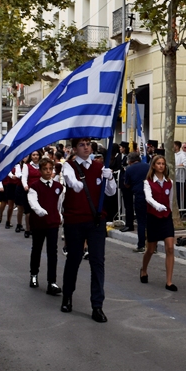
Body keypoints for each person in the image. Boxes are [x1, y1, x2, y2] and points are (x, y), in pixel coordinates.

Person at [60, 137, 117, 322]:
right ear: (75, 148)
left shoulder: (100, 167)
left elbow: (111, 192)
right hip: (75, 221)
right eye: (82, 145)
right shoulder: (68, 166)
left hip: (96, 221)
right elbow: (74, 185)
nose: (86, 147)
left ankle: (97, 305)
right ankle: (67, 296)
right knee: (74, 259)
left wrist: (109, 178)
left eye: (88, 144)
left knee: (97, 262)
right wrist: (77, 181)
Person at [26, 157, 64, 295]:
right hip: (39, 222)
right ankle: (34, 274)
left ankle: (52, 282)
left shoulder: (58, 187)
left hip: (53, 222)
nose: (48, 172)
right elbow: (33, 202)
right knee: (37, 248)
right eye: (45, 169)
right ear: (40, 171)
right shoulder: (35, 187)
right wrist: (40, 211)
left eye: (50, 169)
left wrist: (59, 215)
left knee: (52, 252)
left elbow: (59, 203)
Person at [140, 154, 177, 290]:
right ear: (154, 166)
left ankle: (169, 281)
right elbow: (148, 198)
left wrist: (169, 211)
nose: (161, 166)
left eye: (163, 164)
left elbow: (170, 198)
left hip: (166, 217)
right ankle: (143, 269)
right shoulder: (148, 182)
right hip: (153, 217)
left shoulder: (169, 182)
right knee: (150, 249)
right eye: (159, 163)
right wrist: (157, 206)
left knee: (170, 247)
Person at [124, 151, 149, 251]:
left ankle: (141, 245)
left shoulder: (129, 169)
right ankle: (152, 245)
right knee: (150, 221)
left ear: (130, 161)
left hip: (139, 196)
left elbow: (127, 184)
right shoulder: (147, 166)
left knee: (141, 222)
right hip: (150, 196)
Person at [18, 150, 42, 238]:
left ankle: (36, 228)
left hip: (39, 191)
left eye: (37, 155)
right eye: (33, 155)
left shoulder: (41, 165)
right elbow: (24, 178)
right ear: (31, 156)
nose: (35, 156)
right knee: (28, 212)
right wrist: (25, 186)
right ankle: (28, 229)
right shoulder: (26, 166)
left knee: (38, 211)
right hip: (29, 191)